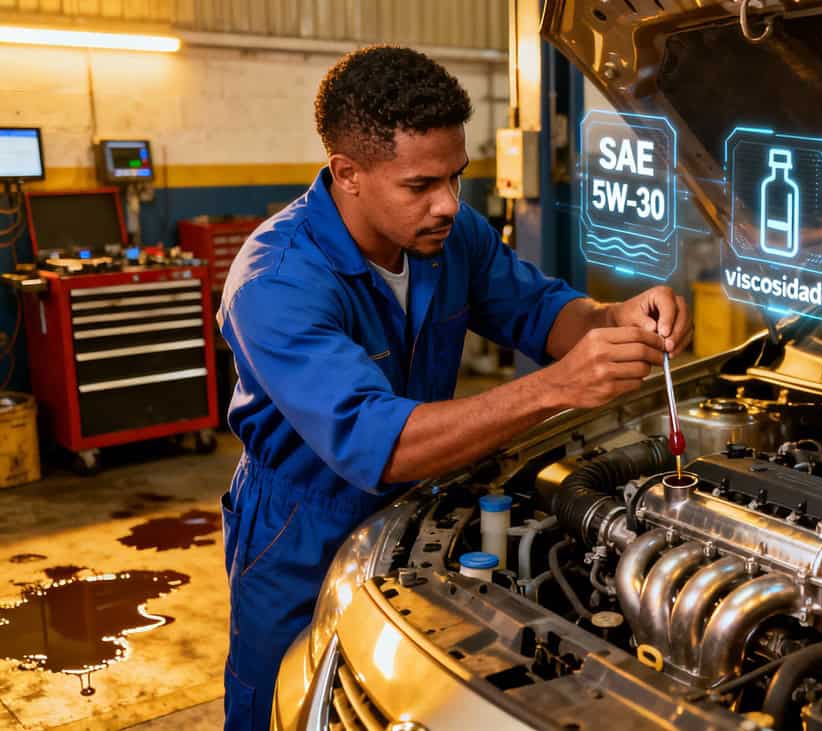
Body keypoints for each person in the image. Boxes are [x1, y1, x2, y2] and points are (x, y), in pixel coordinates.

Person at [217, 45, 691, 730]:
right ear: (347, 174)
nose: (448, 203)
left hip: (422, 504)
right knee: (286, 703)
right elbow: (379, 442)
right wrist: (557, 388)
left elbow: (540, 311)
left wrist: (615, 317)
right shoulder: (277, 281)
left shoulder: (451, 235)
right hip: (301, 528)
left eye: (456, 176)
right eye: (420, 185)